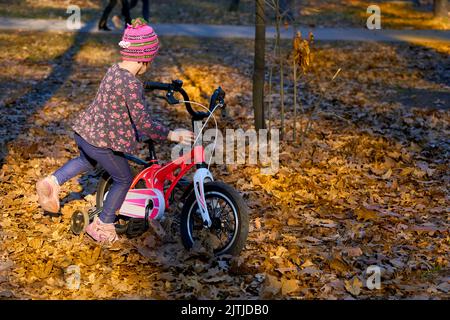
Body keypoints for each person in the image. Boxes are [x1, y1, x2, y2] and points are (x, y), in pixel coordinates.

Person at [36, 18, 194, 243]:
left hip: (85, 133)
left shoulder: (114, 70)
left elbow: (117, 108)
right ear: (144, 59)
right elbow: (143, 122)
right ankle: (103, 224)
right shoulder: (131, 84)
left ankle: (52, 182)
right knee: (123, 178)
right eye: (149, 61)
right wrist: (170, 134)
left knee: (86, 160)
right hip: (102, 142)